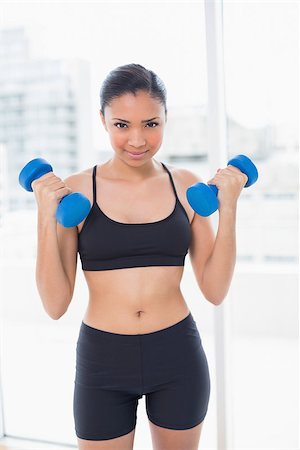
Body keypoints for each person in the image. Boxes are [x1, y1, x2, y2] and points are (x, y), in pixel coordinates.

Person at [33, 63, 247, 450]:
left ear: (166, 119)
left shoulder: (186, 186)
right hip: (103, 359)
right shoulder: (76, 192)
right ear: (102, 120)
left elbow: (215, 290)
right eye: (121, 125)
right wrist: (45, 217)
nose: (136, 139)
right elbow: (54, 304)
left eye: (151, 124)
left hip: (177, 354)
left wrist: (229, 209)